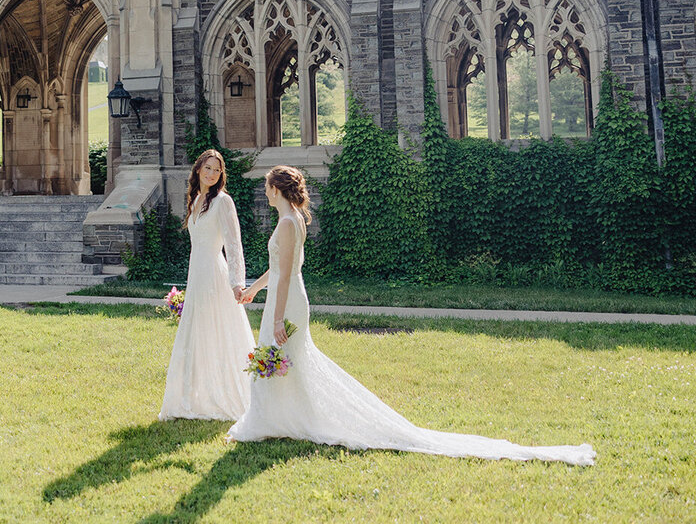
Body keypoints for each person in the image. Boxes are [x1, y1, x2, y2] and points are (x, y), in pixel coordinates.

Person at [226, 165, 596, 465]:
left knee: (286, 356)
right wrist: (256, 290)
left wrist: (275, 317)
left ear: (278, 189)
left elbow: (287, 273)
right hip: (283, 295)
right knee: (288, 361)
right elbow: (278, 270)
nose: (265, 192)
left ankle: (281, 419)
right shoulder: (291, 219)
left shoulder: (290, 223)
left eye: (267, 187)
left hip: (288, 302)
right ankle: (279, 417)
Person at [159, 149, 257, 421]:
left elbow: (233, 244)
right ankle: (194, 395)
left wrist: (237, 283)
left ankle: (230, 393)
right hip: (197, 272)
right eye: (208, 168)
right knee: (197, 331)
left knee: (220, 328)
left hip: (215, 272)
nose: (212, 174)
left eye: (217, 170)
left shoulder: (223, 201)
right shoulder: (195, 199)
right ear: (198, 169)